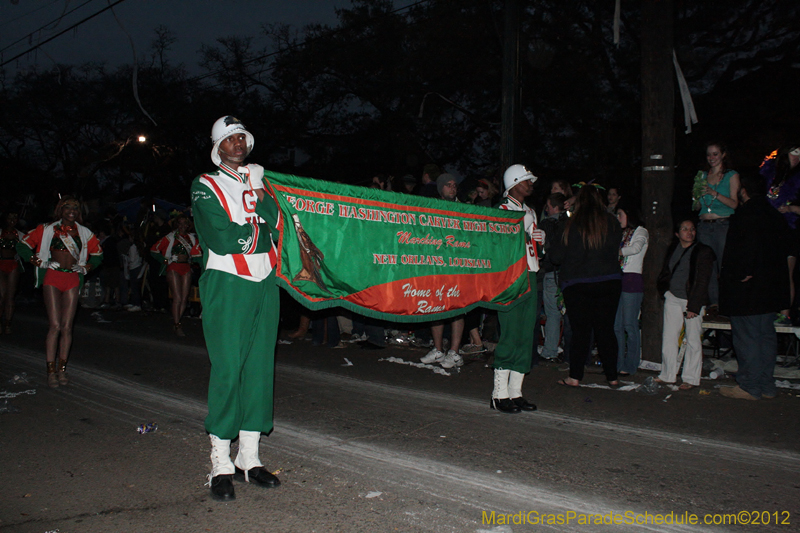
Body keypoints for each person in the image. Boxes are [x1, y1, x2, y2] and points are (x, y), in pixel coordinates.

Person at [191, 116, 282, 501]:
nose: (238, 142)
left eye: (242, 135)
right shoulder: (205, 184)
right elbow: (223, 237)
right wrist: (263, 234)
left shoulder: (262, 183)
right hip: (228, 284)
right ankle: (220, 463)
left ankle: (250, 457)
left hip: (265, 283)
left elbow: (281, 226)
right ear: (218, 148)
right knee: (228, 370)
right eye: (229, 138)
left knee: (259, 370)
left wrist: (260, 195)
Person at [16, 196, 103, 387]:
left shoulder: (85, 233)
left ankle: (62, 369)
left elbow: (98, 254)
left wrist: (86, 267)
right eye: (67, 207)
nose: (71, 210)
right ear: (60, 210)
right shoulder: (47, 229)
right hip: (53, 277)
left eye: (75, 207)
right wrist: (39, 262)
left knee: (67, 327)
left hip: (72, 279)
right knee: (54, 326)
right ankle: (50, 371)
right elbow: (22, 245)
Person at [719, 174, 790, 400]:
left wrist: (741, 273)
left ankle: (750, 385)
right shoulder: (773, 215)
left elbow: (746, 247)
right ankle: (766, 384)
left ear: (744, 190)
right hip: (770, 290)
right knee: (765, 336)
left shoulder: (747, 214)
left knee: (748, 337)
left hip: (749, 290)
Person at [550, 183, 622, 388]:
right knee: (605, 330)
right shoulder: (611, 221)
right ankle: (612, 376)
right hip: (608, 281)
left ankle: (575, 376)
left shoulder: (571, 224)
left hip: (577, 283)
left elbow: (556, 256)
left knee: (581, 331)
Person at [490, 164, 544, 413]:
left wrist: (541, 240)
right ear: (514, 183)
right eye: (526, 180)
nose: (530, 184)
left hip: (531, 273)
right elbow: (499, 243)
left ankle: (515, 392)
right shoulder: (502, 209)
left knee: (526, 334)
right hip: (512, 277)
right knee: (511, 332)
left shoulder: (529, 210)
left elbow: (533, 246)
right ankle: (498, 394)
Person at [655, 219, 714, 389]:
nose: (690, 232)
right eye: (685, 229)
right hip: (673, 297)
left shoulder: (703, 251)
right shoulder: (673, 248)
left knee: (693, 338)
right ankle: (667, 374)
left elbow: (702, 280)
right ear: (677, 233)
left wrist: (694, 307)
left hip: (692, 300)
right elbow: (666, 270)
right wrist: (664, 291)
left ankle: (690, 378)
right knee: (669, 337)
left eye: (692, 229)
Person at [419, 173, 466, 369]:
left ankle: (454, 352)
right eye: (448, 185)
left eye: (454, 185)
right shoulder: (432, 208)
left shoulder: (464, 209)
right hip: (437, 266)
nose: (452, 188)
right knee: (435, 304)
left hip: (457, 267)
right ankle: (438, 349)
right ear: (440, 189)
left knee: (457, 307)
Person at [691, 141, 740, 313]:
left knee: (724, 265)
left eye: (715, 154)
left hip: (723, 225)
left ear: (723, 155)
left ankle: (730, 301)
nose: (711, 158)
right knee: (706, 265)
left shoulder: (731, 175)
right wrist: (696, 197)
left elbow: (734, 204)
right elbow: (697, 207)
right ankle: (714, 303)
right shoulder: (702, 176)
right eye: (709, 154)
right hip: (704, 225)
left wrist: (714, 193)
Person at [759, 140, 800, 325]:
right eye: (794, 151)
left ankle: (785, 313)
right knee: (769, 270)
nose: (797, 156)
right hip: (769, 229)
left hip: (790, 230)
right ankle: (768, 309)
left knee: (786, 271)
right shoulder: (772, 175)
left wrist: (791, 210)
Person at [150, 213, 201, 336]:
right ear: (177, 224)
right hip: (173, 267)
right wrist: (167, 260)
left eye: (185, 223)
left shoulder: (192, 238)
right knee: (177, 298)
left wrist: (192, 260)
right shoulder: (170, 237)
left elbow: (197, 256)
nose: (183, 226)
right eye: (180, 223)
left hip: (186, 268)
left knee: (184, 298)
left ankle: (177, 321)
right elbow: (154, 250)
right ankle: (177, 324)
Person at [613, 200, 649, 376]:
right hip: (618, 279)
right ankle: (618, 363)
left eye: (620, 214)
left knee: (629, 324)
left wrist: (615, 251)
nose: (618, 218)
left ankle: (631, 364)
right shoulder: (620, 234)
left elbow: (635, 248)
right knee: (616, 326)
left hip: (632, 280)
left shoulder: (641, 231)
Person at [537, 193, 569, 361]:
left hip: (552, 273)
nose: (546, 210)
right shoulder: (570, 223)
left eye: (548, 206)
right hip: (570, 273)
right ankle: (567, 350)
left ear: (555, 207)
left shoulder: (547, 224)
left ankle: (550, 351)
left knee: (552, 314)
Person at [0, 211, 24, 334]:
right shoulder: (0, 233)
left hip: (13, 265)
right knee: (1, 296)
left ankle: (8, 323)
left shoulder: (19, 235)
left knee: (10, 296)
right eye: (10, 217)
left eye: (15, 217)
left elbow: (27, 249)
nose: (12, 220)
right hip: (1, 264)